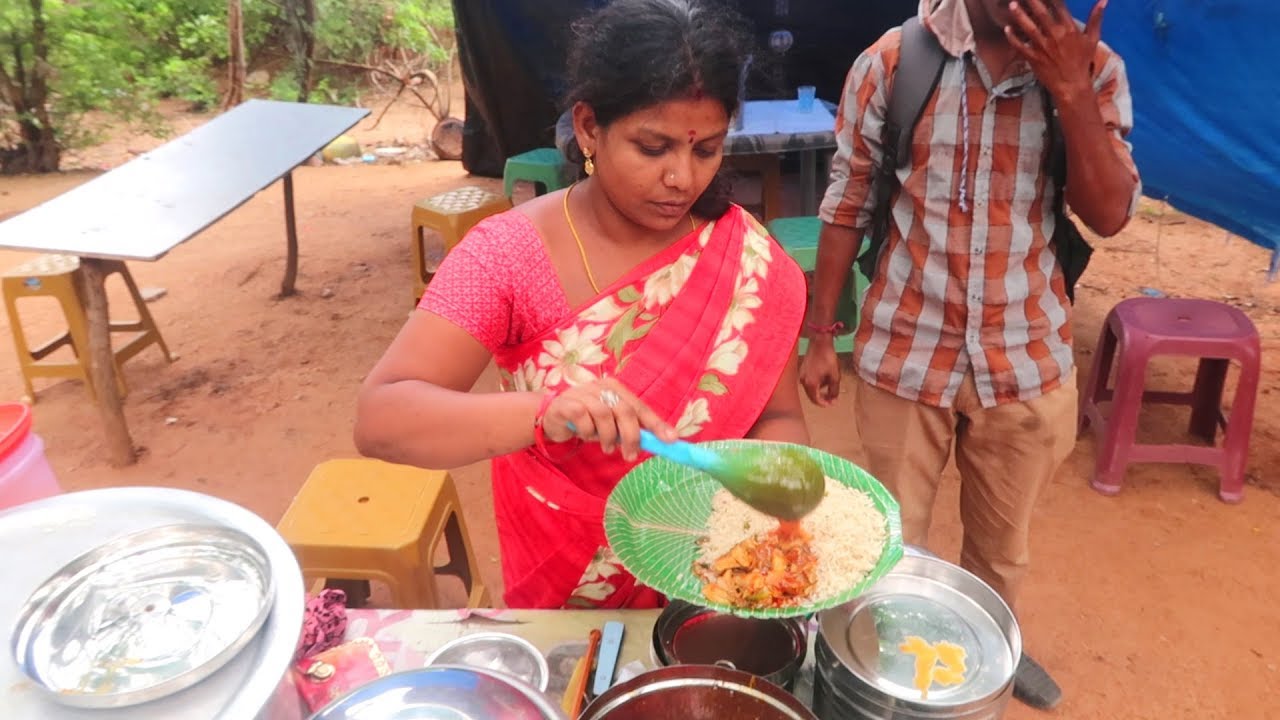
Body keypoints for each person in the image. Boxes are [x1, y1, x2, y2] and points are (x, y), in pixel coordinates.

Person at [355, 0, 808, 611]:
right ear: (590, 128)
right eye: (653, 148)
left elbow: (777, 418)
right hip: (567, 584)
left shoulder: (744, 257)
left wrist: (767, 493)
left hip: (716, 569)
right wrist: (545, 412)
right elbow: (382, 419)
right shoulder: (511, 254)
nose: (682, 178)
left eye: (706, 151)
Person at [799, 0, 1140, 709]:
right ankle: (887, 680)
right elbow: (848, 201)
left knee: (1001, 553)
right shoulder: (893, 63)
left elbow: (1107, 214)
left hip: (1025, 362)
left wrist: (1071, 91)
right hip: (904, 352)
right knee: (891, 544)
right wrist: (820, 335)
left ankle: (991, 659)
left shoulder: (1096, 70)